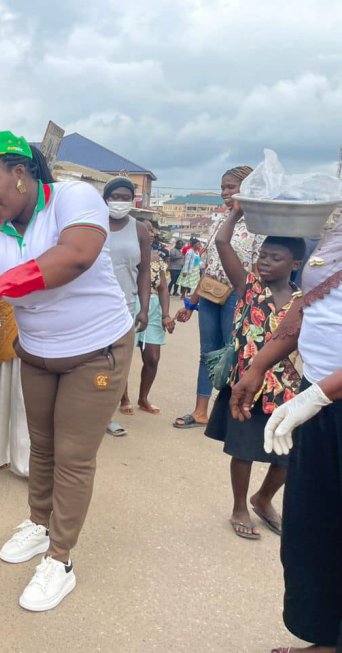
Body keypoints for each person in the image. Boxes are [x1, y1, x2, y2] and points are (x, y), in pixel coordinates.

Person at [0, 131, 134, 612]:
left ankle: (60, 559)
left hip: (96, 349)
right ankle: (39, 521)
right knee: (42, 444)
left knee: (72, 453)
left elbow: (77, 255)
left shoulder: (73, 197)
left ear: (21, 173)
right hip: (38, 352)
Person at [230, 215, 342, 653]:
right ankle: (327, 638)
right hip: (318, 398)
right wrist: (259, 365)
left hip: (322, 396)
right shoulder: (330, 231)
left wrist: (318, 396)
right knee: (314, 524)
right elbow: (308, 303)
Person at [204, 208, 304, 539]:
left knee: (287, 455)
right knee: (243, 450)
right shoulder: (248, 286)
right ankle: (238, 507)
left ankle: (263, 499)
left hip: (284, 390)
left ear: (294, 265)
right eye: (263, 254)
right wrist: (237, 212)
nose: (264, 262)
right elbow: (221, 242)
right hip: (244, 388)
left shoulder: (304, 302)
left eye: (275, 258)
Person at [174, 166, 264, 429]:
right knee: (207, 354)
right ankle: (200, 411)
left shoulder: (259, 225)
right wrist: (191, 303)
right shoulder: (219, 223)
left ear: (248, 188)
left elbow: (259, 270)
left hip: (239, 298)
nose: (224, 192)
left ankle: (230, 414)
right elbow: (208, 267)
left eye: (230, 187)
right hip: (211, 296)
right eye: (223, 187)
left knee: (233, 356)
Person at [103, 176, 151, 432]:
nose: (119, 202)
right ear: (105, 198)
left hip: (126, 307)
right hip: (94, 306)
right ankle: (89, 412)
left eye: (125, 198)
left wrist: (144, 308)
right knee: (91, 361)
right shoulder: (94, 223)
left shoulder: (140, 229)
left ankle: (107, 415)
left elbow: (144, 272)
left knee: (117, 364)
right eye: (115, 197)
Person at [134, 220, 176, 414]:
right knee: (122, 357)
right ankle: (123, 397)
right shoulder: (129, 255)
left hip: (153, 308)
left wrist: (166, 315)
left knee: (152, 357)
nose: (150, 233)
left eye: (151, 230)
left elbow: (163, 288)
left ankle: (143, 398)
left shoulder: (158, 258)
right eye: (145, 229)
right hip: (131, 304)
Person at [0, 301, 29, 477]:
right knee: (7, 398)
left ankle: (6, 457)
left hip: (22, 327)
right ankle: (11, 459)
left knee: (17, 400)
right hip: (7, 326)